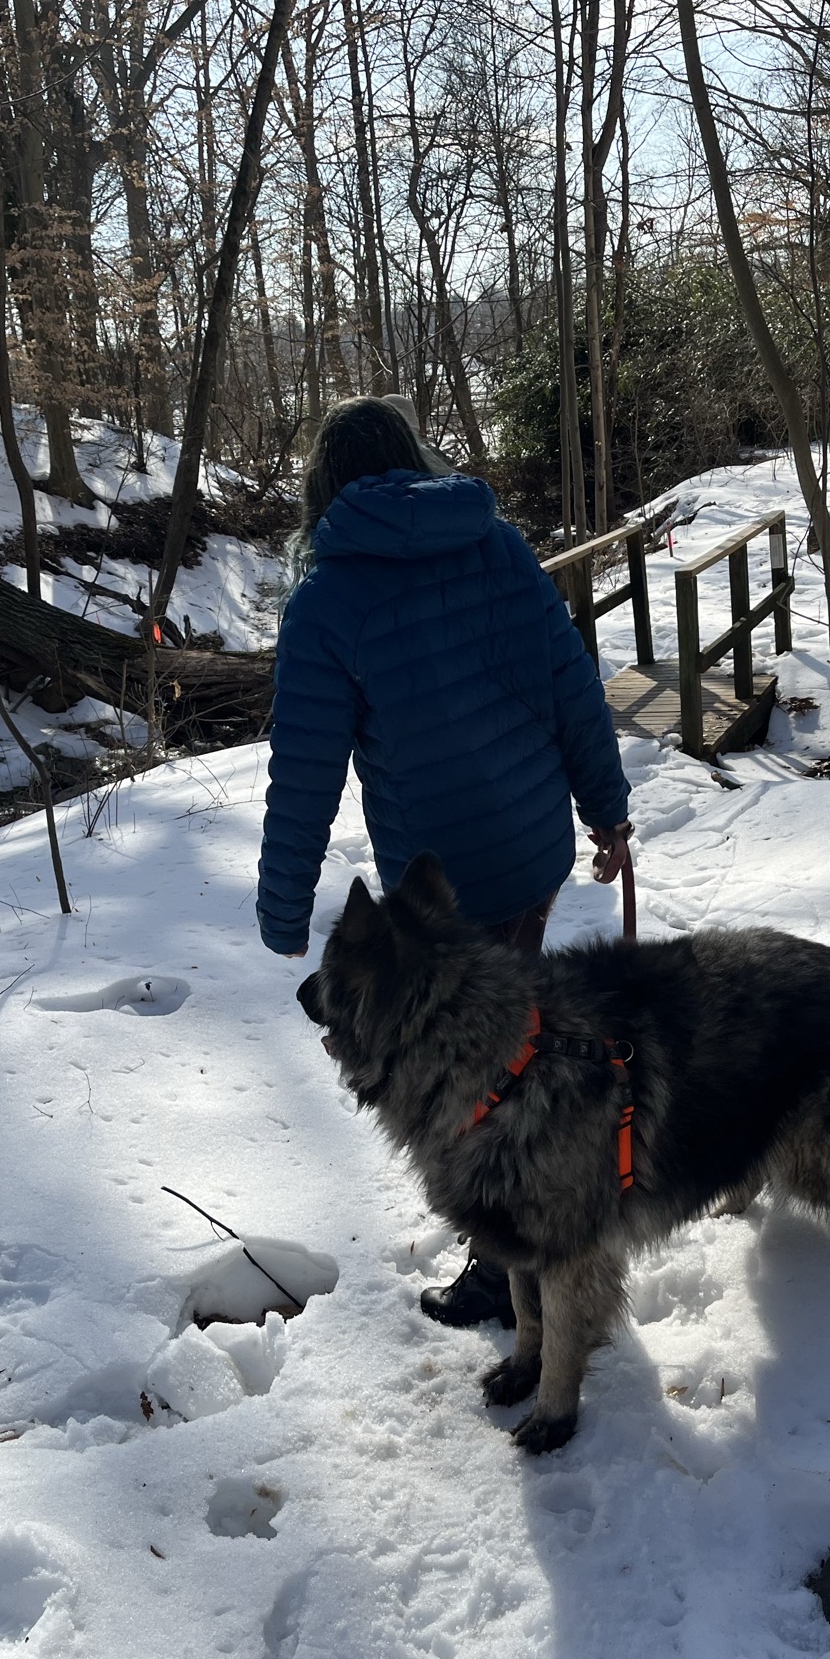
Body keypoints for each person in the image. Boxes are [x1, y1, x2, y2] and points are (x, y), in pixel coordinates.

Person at [257, 395, 633, 1328]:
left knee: (474, 1076)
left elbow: (304, 773)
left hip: (438, 895)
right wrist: (608, 813)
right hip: (531, 845)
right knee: (512, 1046)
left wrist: (284, 906)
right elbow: (573, 688)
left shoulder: (326, 601)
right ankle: (548, 1212)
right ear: (413, 458)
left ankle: (508, 1261)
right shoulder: (494, 544)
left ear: (323, 487)